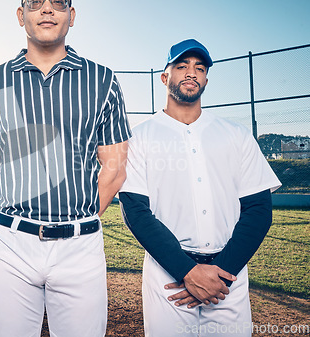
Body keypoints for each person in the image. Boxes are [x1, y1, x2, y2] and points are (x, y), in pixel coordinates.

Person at [0, 0, 131, 337]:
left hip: (80, 244)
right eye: (35, 0)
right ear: (21, 14)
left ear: (71, 16)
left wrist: (79, 218)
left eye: (58, 1)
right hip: (11, 244)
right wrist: (18, 218)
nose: (47, 8)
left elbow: (115, 168)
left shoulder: (101, 79)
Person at [119, 39, 281, 336]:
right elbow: (135, 212)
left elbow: (258, 210)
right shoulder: (138, 136)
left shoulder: (236, 134)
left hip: (227, 278)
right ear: (165, 77)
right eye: (181, 66)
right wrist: (187, 272)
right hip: (168, 277)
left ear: (206, 78)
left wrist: (221, 275)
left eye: (199, 67)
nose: (191, 72)